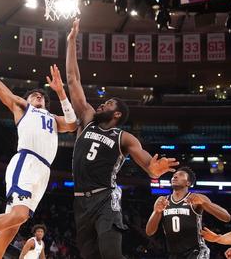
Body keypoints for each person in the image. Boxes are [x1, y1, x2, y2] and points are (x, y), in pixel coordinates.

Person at [0, 33, 78, 259]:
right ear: (26, 100)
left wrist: (60, 92)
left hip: (43, 171)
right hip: (26, 162)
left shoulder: (54, 119)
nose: (38, 96)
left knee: (11, 229)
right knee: (19, 215)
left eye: (42, 96)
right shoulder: (22, 108)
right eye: (34, 95)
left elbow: (73, 124)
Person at [65, 18, 179, 259]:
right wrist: (71, 41)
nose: (101, 103)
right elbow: (73, 80)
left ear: (116, 114)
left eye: (107, 103)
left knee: (111, 253)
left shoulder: (123, 137)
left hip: (106, 197)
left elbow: (148, 164)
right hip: (80, 201)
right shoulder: (87, 119)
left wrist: (153, 168)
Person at [145, 167, 231, 259]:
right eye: (174, 176)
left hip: (196, 251)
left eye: (180, 175)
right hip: (173, 253)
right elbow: (149, 232)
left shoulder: (197, 198)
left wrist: (204, 203)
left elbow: (226, 217)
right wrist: (156, 212)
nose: (175, 177)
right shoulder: (162, 200)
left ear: (188, 183)